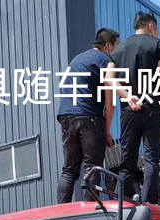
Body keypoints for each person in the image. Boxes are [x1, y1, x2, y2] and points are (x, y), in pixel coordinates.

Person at [109, 12, 160, 204]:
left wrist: (128, 97)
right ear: (151, 26)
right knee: (151, 161)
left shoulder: (118, 51)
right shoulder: (157, 45)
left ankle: (124, 205)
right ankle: (148, 205)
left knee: (127, 163)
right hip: (153, 109)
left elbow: (109, 79)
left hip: (129, 112)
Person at [56, 28, 120, 203]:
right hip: (89, 116)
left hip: (66, 115)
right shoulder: (106, 61)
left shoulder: (77, 59)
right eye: (116, 46)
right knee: (92, 168)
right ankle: (90, 210)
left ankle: (60, 210)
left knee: (69, 170)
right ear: (108, 46)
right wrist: (107, 130)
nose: (116, 51)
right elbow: (110, 103)